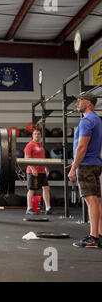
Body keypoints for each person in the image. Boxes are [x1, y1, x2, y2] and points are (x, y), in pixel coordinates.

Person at [68, 93, 102, 248]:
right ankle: (99, 234)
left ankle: (93, 237)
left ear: (89, 103)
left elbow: (82, 147)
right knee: (97, 200)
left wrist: (73, 168)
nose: (77, 103)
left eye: (80, 101)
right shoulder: (97, 120)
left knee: (91, 201)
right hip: (95, 163)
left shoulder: (86, 121)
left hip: (86, 164)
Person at [24, 128, 52, 215]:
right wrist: (33, 169)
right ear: (32, 135)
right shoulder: (29, 145)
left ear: (40, 135)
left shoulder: (40, 145)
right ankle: (29, 208)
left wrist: (45, 167)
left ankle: (48, 207)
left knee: (46, 188)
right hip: (33, 171)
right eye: (35, 134)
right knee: (32, 189)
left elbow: (42, 158)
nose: (37, 135)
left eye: (38, 134)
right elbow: (27, 158)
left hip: (41, 171)